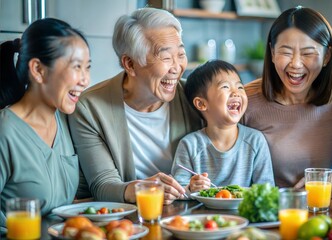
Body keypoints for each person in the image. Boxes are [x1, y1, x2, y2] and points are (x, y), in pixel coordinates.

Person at [68, 7, 202, 205]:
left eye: (181, 55)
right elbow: (102, 185)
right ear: (130, 64)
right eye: (166, 58)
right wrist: (143, 189)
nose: (176, 68)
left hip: (189, 217)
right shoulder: (90, 108)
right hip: (128, 220)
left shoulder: (194, 96)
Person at [242, 6, 332, 188]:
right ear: (272, 53)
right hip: (264, 210)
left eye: (308, 53)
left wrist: (323, 181)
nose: (295, 64)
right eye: (286, 52)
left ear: (326, 56)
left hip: (320, 209)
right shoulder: (246, 100)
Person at [0, 18, 91, 226]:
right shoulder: (5, 132)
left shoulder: (66, 120)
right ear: (39, 70)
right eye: (76, 67)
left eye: (87, 68)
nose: (85, 80)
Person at [171, 60, 275, 192]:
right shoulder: (190, 145)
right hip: (203, 212)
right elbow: (178, 190)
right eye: (225, 87)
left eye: (240, 87)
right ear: (201, 104)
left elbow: (267, 190)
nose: (236, 93)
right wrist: (190, 188)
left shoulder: (255, 141)